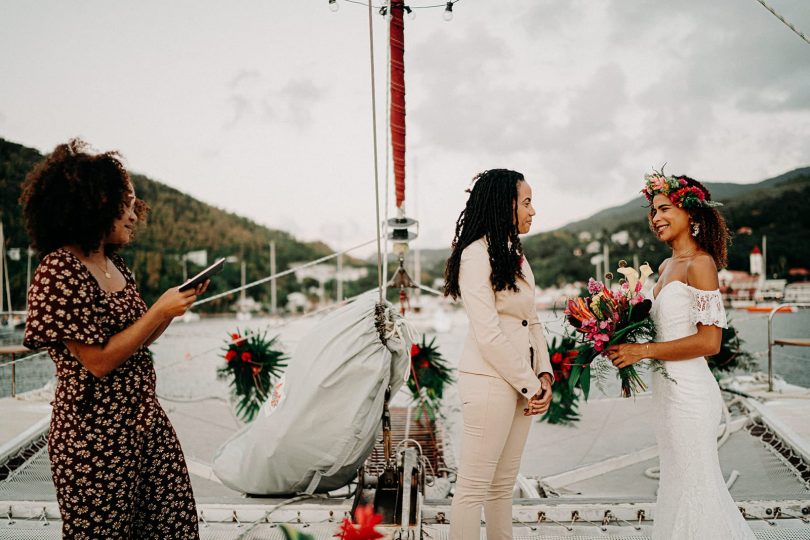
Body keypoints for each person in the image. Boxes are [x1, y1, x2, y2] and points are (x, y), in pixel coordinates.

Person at [20, 139, 205, 539]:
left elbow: (135, 341)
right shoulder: (59, 271)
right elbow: (98, 361)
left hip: (144, 424)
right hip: (94, 438)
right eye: (126, 204)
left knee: (173, 528)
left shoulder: (112, 263)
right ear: (93, 204)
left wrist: (172, 309)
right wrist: (158, 310)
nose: (134, 215)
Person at [606, 173, 755, 539]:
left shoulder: (699, 265)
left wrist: (641, 351)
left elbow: (709, 343)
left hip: (689, 394)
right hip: (667, 394)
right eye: (652, 211)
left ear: (690, 213)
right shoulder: (665, 266)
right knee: (675, 483)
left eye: (664, 209)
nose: (655, 217)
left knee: (696, 486)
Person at [443, 169, 554, 540]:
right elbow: (488, 334)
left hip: (523, 384)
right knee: (474, 487)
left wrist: (545, 375)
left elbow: (532, 320)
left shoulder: (516, 254)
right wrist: (529, 383)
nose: (533, 210)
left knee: (502, 486)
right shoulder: (475, 256)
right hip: (489, 382)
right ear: (504, 204)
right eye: (526, 202)